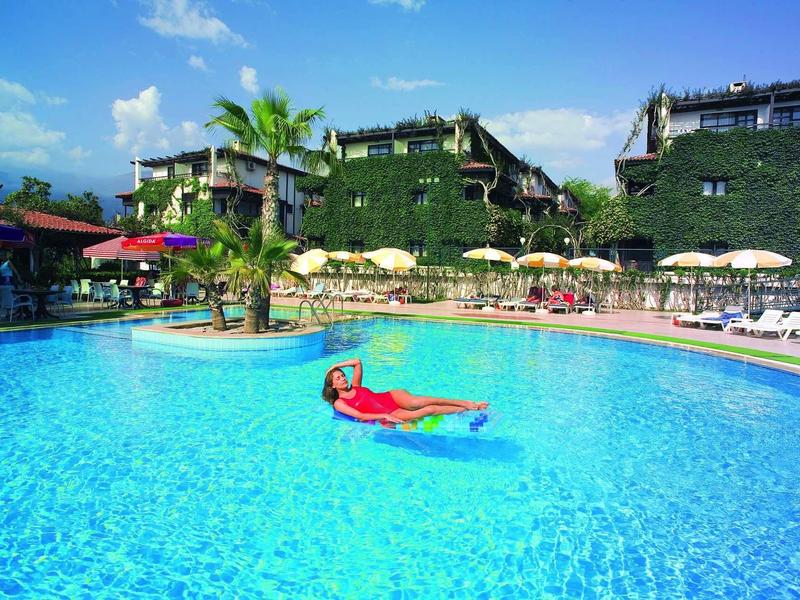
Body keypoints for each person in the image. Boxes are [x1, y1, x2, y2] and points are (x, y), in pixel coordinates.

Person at [322, 358, 488, 424]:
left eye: (342, 375)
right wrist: (384, 416)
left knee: (420, 402)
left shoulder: (355, 385)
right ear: (332, 386)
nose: (343, 378)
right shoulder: (339, 403)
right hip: (390, 412)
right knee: (429, 410)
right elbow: (360, 416)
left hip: (392, 397)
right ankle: (465, 409)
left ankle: (465, 403)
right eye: (338, 378)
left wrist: (334, 366)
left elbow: (357, 362)